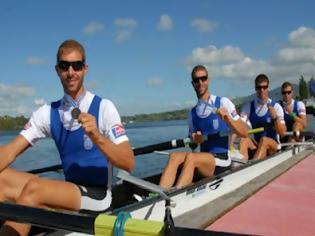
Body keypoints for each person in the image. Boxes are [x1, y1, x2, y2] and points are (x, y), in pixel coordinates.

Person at [0, 39, 134, 236]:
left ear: (85, 69)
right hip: (70, 190)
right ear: (57, 70)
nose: (71, 72)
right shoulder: (47, 113)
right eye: (64, 66)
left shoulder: (105, 108)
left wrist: (97, 136)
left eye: (77, 65)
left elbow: (128, 162)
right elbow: (10, 151)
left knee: (34, 188)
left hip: (98, 196)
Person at [159, 65, 248, 189]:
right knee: (174, 156)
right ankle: (159, 194)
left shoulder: (223, 102)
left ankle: (175, 196)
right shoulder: (192, 113)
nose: (200, 82)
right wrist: (195, 140)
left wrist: (228, 119)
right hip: (204, 160)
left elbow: (244, 133)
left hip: (222, 160)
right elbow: (193, 145)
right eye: (196, 80)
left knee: (191, 158)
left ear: (208, 80)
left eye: (203, 78)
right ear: (193, 84)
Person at [239, 74, 286, 160]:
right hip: (257, 144)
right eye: (259, 87)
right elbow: (239, 125)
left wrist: (275, 118)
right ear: (255, 88)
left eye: (264, 87)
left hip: (273, 145)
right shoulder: (248, 106)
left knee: (264, 140)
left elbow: (282, 133)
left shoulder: (276, 107)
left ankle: (253, 167)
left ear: (268, 88)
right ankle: (240, 167)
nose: (262, 90)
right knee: (243, 140)